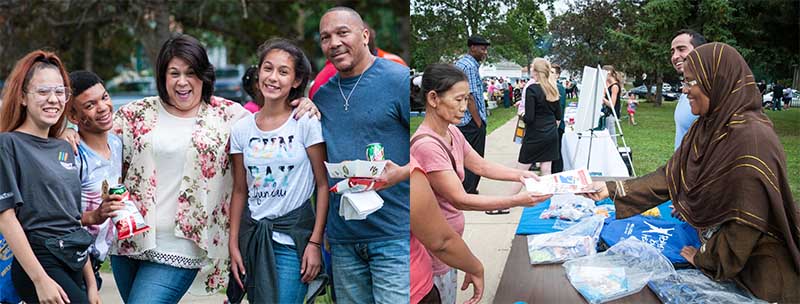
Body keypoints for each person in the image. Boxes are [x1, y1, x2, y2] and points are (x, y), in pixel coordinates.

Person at [585, 43, 800, 303]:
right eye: (683, 81)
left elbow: (747, 221)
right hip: (726, 261)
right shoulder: (708, 126)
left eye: (690, 82)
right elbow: (671, 175)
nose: (684, 90)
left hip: (758, 274)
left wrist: (705, 258)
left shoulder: (753, 139)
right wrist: (610, 189)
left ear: (715, 81)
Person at [410, 63, 550, 303]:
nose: (465, 107)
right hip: (436, 251)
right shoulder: (427, 145)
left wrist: (519, 175)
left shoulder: (451, 131)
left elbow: (481, 165)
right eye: (458, 100)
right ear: (433, 98)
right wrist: (516, 200)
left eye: (467, 99)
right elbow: (460, 199)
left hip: (450, 246)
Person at [314, 7, 411, 303]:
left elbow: (431, 148)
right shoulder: (321, 96)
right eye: (326, 37)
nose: (334, 43)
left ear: (365, 35)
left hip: (394, 235)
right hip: (344, 240)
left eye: (343, 33)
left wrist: (402, 173)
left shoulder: (398, 80)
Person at [227, 38, 329, 303]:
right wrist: (233, 244)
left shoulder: (305, 122)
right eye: (268, 68)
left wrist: (315, 243)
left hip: (291, 242)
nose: (273, 78)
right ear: (258, 72)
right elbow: (240, 190)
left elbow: (322, 184)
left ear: (296, 81)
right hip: (253, 240)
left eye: (283, 72)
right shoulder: (241, 129)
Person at [0, 50, 100, 304]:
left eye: (60, 92)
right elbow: (6, 217)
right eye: (43, 92)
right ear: (22, 96)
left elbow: (72, 220)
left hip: (74, 261)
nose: (53, 99)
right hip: (40, 262)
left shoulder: (65, 147)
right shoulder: (8, 145)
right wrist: (40, 280)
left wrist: (91, 285)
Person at [67, 70, 127, 291]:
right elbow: (60, 218)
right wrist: (95, 215)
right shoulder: (73, 154)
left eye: (105, 97)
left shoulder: (118, 144)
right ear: (73, 117)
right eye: (90, 105)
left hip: (96, 261)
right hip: (71, 262)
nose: (103, 107)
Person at [410, 156, 483, 304]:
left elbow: (479, 164)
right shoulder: (411, 160)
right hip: (413, 287)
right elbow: (441, 242)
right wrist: (475, 267)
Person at [454, 35, 490, 195]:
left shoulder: (465, 63)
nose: (485, 52)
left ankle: (466, 188)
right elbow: (470, 97)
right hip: (470, 121)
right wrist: (478, 122)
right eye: (483, 48)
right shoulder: (468, 66)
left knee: (462, 156)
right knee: (473, 157)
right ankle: (468, 189)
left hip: (463, 120)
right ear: (473, 47)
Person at [516, 58, 562, 177]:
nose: (530, 69)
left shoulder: (532, 89)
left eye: (532, 67)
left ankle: (510, 196)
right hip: (551, 134)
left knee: (521, 172)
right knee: (546, 170)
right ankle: (547, 196)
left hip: (535, 135)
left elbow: (529, 118)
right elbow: (558, 117)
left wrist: (521, 114)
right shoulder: (553, 89)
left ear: (536, 71)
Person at [670, 29, 706, 150]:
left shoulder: (709, 91)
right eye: (672, 51)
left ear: (699, 51)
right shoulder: (687, 88)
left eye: (681, 49)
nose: (675, 56)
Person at [551, 63, 567, 173]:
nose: (549, 74)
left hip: (556, 125)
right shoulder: (548, 86)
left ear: (557, 75)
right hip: (550, 125)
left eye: (552, 72)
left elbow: (559, 109)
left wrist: (555, 126)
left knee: (556, 153)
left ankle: (557, 173)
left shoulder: (559, 88)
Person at [601, 65, 621, 142]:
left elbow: (612, 104)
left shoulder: (615, 86)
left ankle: (614, 150)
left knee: (611, 135)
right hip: (607, 113)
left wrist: (603, 98)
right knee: (607, 134)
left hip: (611, 113)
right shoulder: (608, 84)